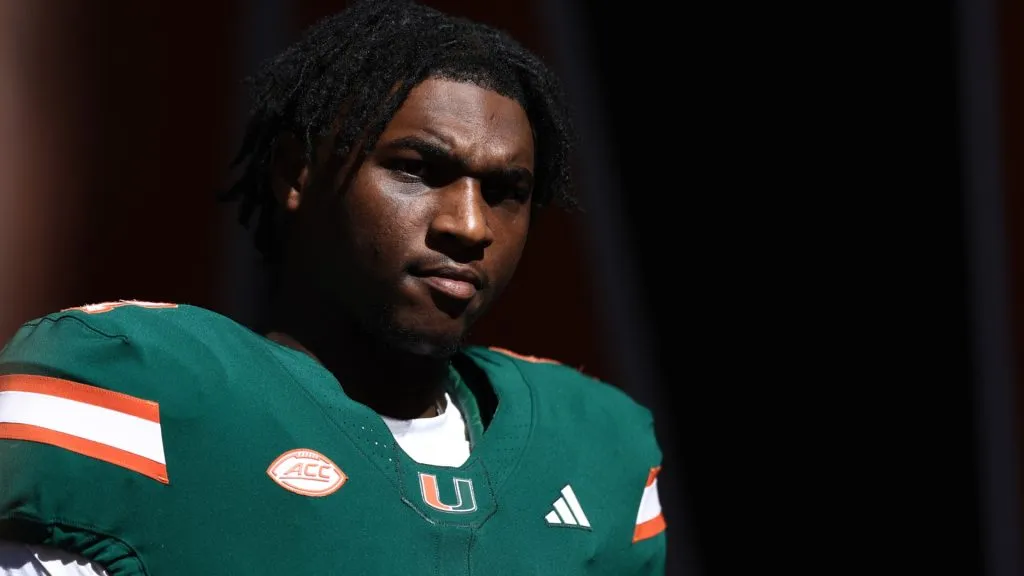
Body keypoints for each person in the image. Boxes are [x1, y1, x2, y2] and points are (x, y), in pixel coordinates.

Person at [0, 1, 666, 573]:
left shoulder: (598, 448)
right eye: (419, 170)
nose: (469, 225)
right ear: (296, 174)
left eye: (505, 192)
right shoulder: (130, 386)